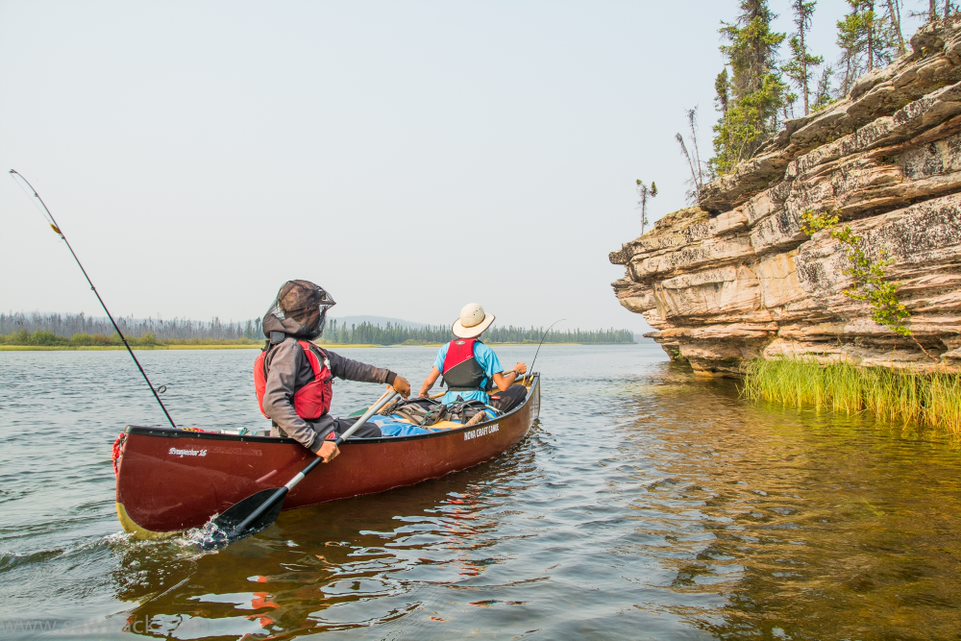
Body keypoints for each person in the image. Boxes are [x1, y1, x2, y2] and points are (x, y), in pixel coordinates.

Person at [255, 279, 411, 463]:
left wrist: (389, 377)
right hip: (301, 434)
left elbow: (347, 367)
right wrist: (315, 444)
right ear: (308, 312)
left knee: (373, 430)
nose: (319, 315)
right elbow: (274, 403)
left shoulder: (306, 348)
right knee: (373, 441)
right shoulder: (289, 349)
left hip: (321, 425)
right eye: (317, 310)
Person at [418, 303, 528, 413]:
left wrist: (423, 393)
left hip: (449, 403)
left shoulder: (445, 349)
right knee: (520, 389)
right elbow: (503, 386)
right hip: (477, 404)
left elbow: (429, 382)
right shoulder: (486, 351)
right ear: (482, 328)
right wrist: (516, 372)